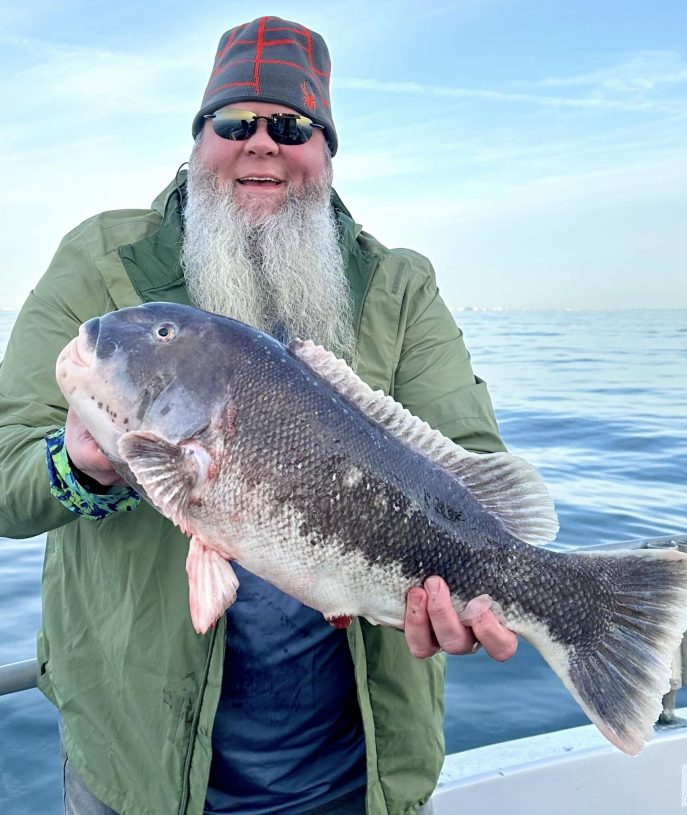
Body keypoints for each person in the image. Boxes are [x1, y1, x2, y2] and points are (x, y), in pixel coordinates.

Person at [0, 16, 517, 815]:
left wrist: (478, 596)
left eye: (293, 126)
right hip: (135, 772)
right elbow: (5, 469)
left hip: (354, 777)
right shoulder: (100, 263)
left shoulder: (398, 286)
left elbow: (474, 471)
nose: (263, 144)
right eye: (234, 122)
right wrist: (79, 466)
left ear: (327, 152)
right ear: (198, 139)